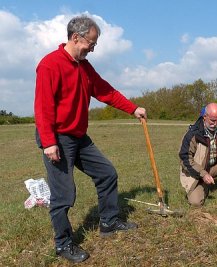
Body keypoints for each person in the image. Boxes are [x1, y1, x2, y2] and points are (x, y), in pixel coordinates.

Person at [34, 15, 147, 263]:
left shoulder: (84, 67)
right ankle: (63, 244)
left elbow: (105, 90)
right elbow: (42, 108)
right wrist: (49, 142)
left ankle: (108, 221)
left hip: (78, 136)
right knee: (64, 194)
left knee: (107, 173)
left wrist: (133, 108)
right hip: (57, 138)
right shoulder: (49, 65)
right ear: (76, 37)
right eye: (91, 43)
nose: (93, 49)